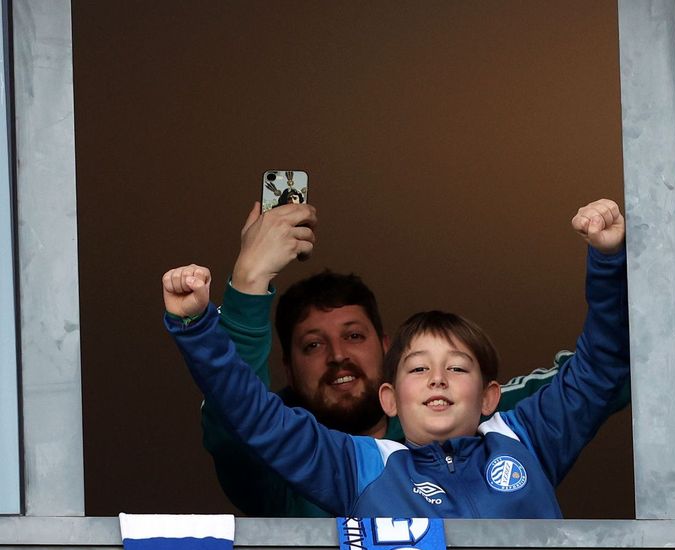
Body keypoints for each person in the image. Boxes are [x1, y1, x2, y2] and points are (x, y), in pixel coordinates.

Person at [164, 199, 629, 519]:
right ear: (392, 396)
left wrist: (608, 261)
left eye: (458, 367)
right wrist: (201, 323)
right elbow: (247, 412)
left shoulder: (523, 435)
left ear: (491, 396)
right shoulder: (357, 467)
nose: (438, 379)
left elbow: (600, 369)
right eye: (420, 368)